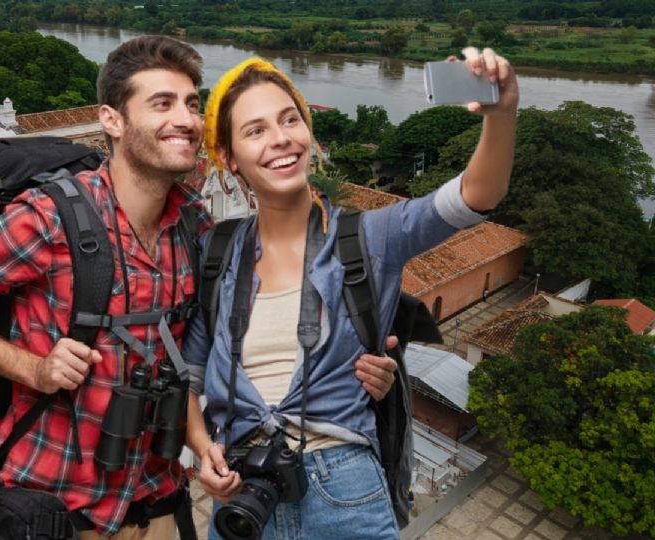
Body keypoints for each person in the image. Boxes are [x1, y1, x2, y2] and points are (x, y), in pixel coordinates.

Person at [182, 47, 518, 539]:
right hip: (243, 493)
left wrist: (501, 112)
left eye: (290, 120)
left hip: (343, 485)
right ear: (230, 159)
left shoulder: (369, 238)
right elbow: (189, 378)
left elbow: (474, 196)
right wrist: (203, 449)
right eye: (255, 131)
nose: (280, 138)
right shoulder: (216, 252)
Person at [0, 35, 210, 539]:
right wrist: (35, 368)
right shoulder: (51, 217)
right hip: (54, 507)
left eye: (192, 104)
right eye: (162, 103)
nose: (186, 119)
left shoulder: (192, 223)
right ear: (112, 120)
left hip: (155, 500)